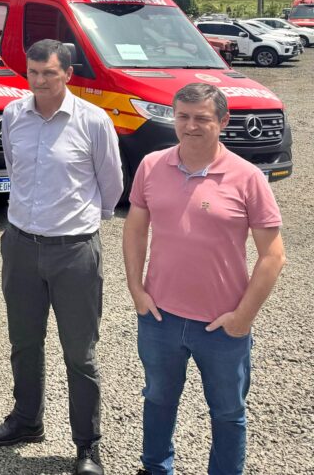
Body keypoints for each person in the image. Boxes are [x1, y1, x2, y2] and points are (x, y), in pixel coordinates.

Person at [123, 83, 285, 475]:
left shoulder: (247, 178)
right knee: (158, 400)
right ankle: (155, 467)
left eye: (202, 118)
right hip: (159, 317)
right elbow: (134, 228)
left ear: (223, 122)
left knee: (228, 413)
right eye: (183, 117)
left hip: (222, 324)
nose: (190, 126)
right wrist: (136, 289)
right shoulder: (151, 165)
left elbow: (273, 256)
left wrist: (242, 318)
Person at [0, 39, 122, 475]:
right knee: (24, 343)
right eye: (34, 72)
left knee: (80, 353)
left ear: (68, 75)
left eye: (49, 73)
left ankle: (86, 446)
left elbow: (111, 186)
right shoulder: (13, 115)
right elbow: (13, 169)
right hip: (21, 246)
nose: (40, 82)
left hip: (74, 251)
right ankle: (27, 421)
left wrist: (77, 227)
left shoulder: (94, 121)